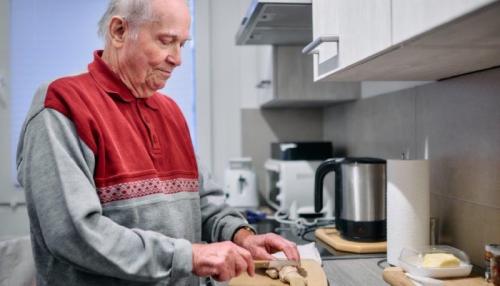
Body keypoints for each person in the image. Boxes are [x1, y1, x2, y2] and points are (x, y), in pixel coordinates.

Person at [15, 0, 300, 285]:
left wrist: (242, 236)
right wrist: (188, 256)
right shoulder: (61, 105)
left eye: (182, 45)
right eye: (166, 41)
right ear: (119, 31)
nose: (177, 59)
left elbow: (202, 202)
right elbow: (73, 234)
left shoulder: (171, 113)